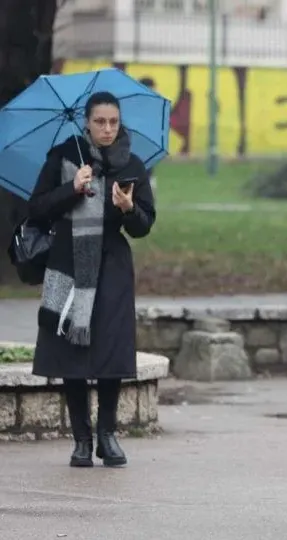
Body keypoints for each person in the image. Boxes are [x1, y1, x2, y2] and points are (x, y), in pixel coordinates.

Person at [27, 91, 157, 466]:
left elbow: (144, 225)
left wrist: (128, 208)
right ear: (87, 122)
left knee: (110, 352)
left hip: (112, 267)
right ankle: (81, 440)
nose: (107, 128)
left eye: (113, 121)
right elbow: (36, 208)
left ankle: (107, 436)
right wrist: (72, 189)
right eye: (100, 121)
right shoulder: (64, 157)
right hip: (68, 265)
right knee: (72, 353)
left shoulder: (131, 164)